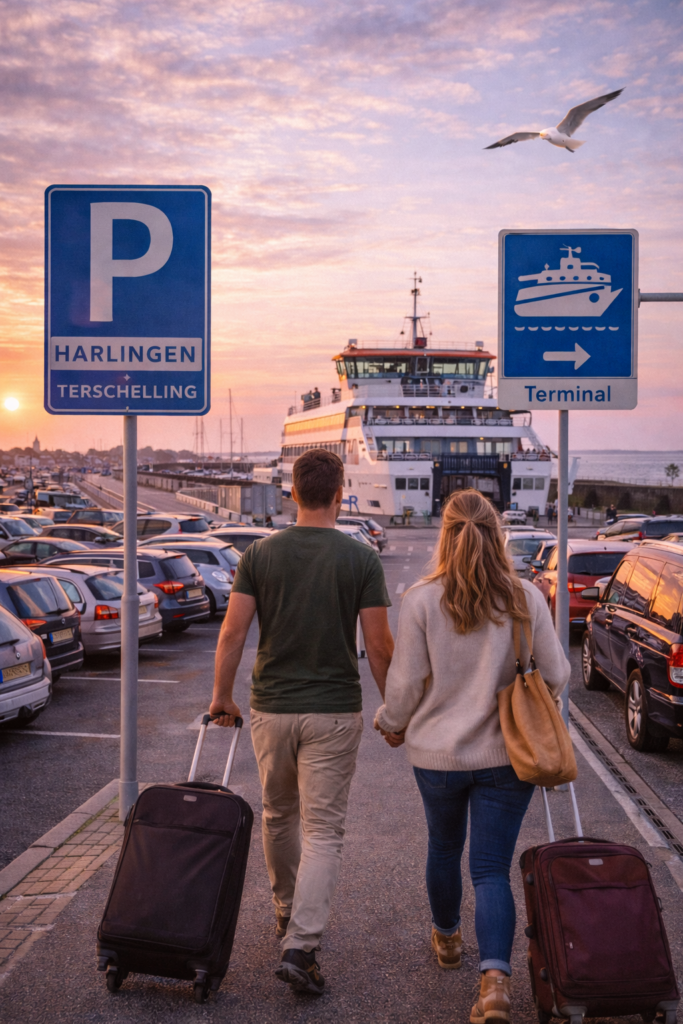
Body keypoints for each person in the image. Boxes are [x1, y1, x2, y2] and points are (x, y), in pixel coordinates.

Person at [374, 490, 569, 1024]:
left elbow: (407, 684)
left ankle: (447, 940)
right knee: (490, 870)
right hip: (510, 756)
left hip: (436, 756)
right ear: (497, 532)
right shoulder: (525, 597)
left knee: (443, 848)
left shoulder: (421, 600)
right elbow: (556, 675)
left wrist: (391, 724)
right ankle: (495, 986)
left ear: (446, 533)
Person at [210, 449, 394, 995]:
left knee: (278, 816)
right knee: (324, 831)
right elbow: (380, 647)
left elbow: (232, 634)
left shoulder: (260, 555)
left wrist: (223, 696)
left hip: (270, 708)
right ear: (340, 495)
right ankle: (301, 944)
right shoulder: (361, 560)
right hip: (333, 711)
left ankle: (288, 912)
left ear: (292, 493)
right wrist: (395, 712)